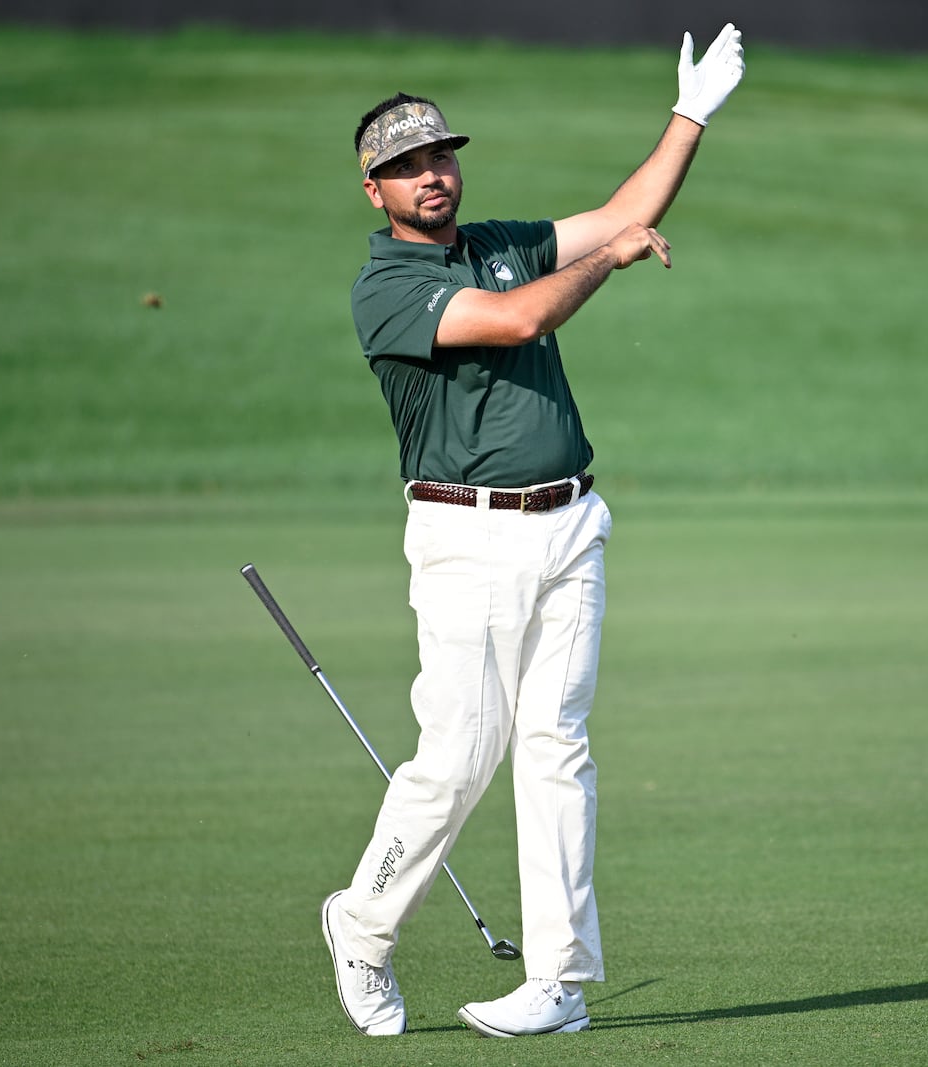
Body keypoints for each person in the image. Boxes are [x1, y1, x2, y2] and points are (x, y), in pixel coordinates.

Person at [321, 23, 747, 1038]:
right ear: (373, 189)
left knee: (558, 746)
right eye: (405, 165)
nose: (431, 175)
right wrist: (609, 260)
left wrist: (689, 116)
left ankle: (557, 980)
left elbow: (623, 212)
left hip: (569, 524)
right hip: (466, 539)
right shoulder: (385, 289)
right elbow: (519, 322)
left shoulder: (501, 242)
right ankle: (364, 925)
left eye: (439, 157)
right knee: (461, 755)